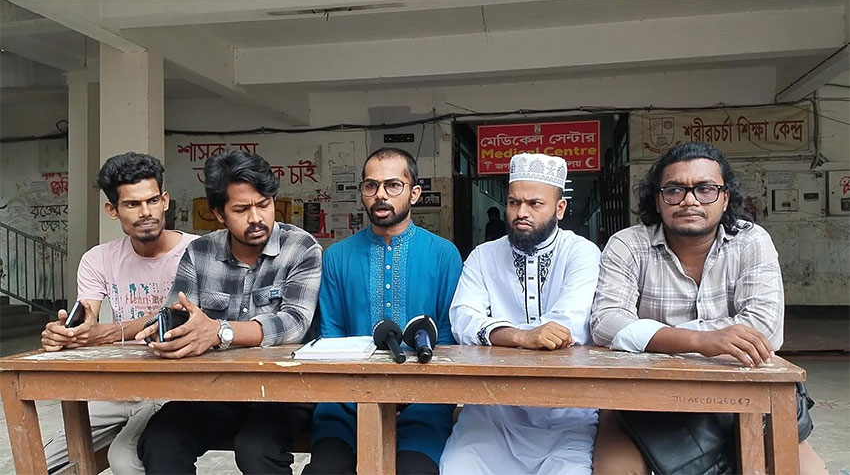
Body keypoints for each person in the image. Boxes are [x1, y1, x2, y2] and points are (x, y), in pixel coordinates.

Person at [589, 142, 827, 474]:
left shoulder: (750, 241)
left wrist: (650, 337)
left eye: (705, 189)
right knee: (614, 470)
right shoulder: (629, 244)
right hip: (645, 398)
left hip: (740, 397)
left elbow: (765, 329)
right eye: (674, 190)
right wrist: (702, 341)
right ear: (657, 200)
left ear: (725, 198)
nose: (689, 200)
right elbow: (606, 322)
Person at [135, 150, 322, 474]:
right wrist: (167, 333)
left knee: (255, 451)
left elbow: (295, 323)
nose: (256, 218)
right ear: (218, 214)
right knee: (160, 441)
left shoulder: (301, 247)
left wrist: (219, 331)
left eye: (264, 204)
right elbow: (177, 314)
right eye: (241, 209)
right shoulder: (199, 252)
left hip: (285, 391)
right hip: (216, 389)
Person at [303, 147, 462, 475]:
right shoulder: (337, 256)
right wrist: (362, 391)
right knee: (325, 469)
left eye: (393, 185)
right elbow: (331, 335)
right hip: (346, 401)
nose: (380, 194)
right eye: (371, 185)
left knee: (415, 470)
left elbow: (448, 338)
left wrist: (411, 392)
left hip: (425, 400)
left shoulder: (444, 254)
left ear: (414, 193)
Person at [440, 153, 601, 474]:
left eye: (534, 204)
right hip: (492, 410)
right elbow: (463, 318)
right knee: (457, 467)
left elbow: (567, 326)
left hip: (567, 412)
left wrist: (501, 335)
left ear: (559, 209)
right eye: (514, 203)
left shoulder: (582, 253)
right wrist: (520, 336)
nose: (521, 213)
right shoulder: (483, 256)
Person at [40, 152, 198, 475]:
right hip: (115, 386)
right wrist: (67, 334)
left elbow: (175, 317)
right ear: (112, 210)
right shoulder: (98, 259)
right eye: (132, 204)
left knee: (124, 460)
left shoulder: (197, 252)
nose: (146, 212)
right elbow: (88, 318)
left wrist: (111, 332)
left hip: (172, 385)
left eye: (152, 201)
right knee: (41, 464)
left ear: (165, 201)